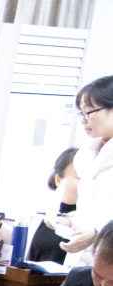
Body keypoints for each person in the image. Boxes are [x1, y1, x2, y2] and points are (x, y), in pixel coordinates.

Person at [0, 147, 78, 265]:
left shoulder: (90, 221)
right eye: (79, 176)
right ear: (58, 180)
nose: (86, 183)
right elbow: (20, 246)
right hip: (33, 276)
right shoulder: (41, 214)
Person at [59, 75, 113, 267]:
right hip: (82, 261)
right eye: (81, 113)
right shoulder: (87, 155)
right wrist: (69, 220)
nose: (83, 120)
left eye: (89, 112)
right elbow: (93, 208)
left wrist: (97, 231)